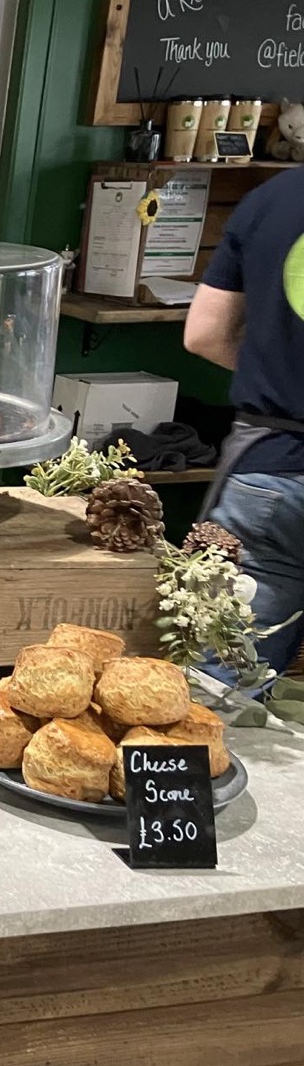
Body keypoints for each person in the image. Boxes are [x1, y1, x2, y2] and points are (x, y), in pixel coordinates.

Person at [183, 163, 304, 679]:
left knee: (220, 685)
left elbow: (204, 334)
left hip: (271, 474)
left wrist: (277, 370)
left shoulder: (274, 198)